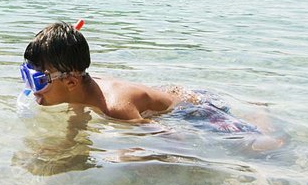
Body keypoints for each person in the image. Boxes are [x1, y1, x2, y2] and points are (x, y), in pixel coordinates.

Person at [20, 22, 265, 137]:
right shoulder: (79, 88)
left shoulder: (116, 109)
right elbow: (78, 116)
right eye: (25, 76)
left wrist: (134, 156)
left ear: (71, 82)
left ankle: (261, 116)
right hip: (172, 94)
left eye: (37, 80)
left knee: (252, 141)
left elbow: (170, 138)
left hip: (194, 109)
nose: (31, 89)